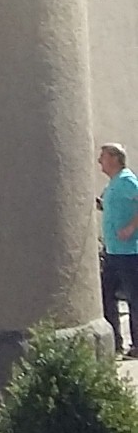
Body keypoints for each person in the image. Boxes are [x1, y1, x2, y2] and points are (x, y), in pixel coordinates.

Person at [98, 144, 138, 355]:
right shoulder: (114, 183)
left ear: (114, 158)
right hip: (113, 251)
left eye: (102, 157)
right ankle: (115, 342)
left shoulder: (126, 180)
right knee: (106, 296)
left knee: (134, 298)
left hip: (129, 252)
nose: (99, 161)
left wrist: (131, 227)